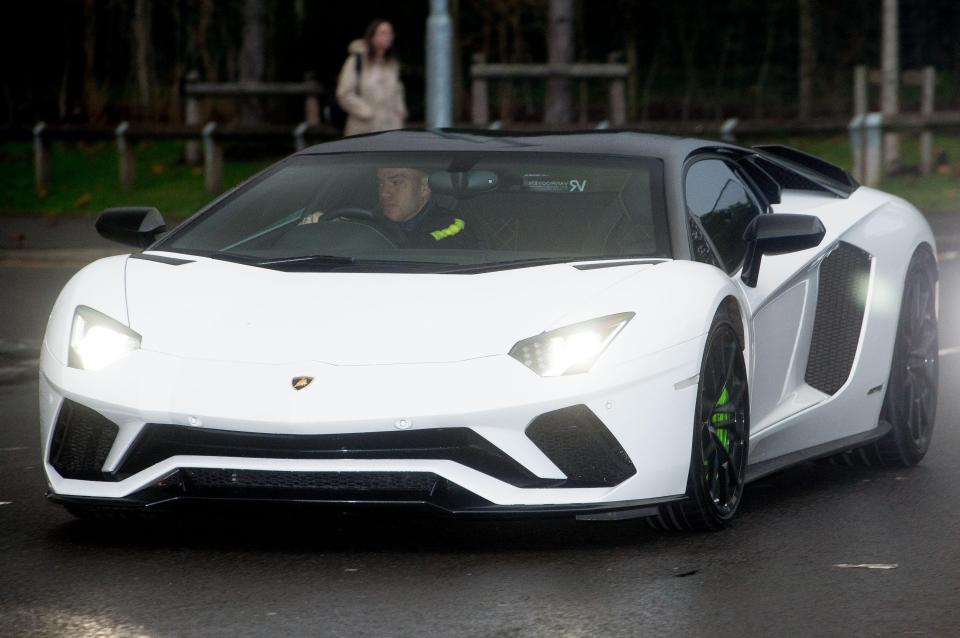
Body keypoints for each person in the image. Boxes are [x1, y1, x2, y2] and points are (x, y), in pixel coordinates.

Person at [300, 167, 477, 249]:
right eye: (380, 184)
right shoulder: (368, 218)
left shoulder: (453, 226)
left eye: (396, 182)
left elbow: (414, 253)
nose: (384, 193)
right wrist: (324, 229)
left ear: (424, 188)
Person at [335, 20, 407, 136]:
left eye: (390, 33)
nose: (388, 37)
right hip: (363, 129)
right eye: (383, 33)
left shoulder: (392, 63)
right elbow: (344, 93)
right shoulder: (356, 61)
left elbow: (398, 90)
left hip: (391, 130)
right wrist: (366, 112)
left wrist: (400, 112)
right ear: (372, 36)